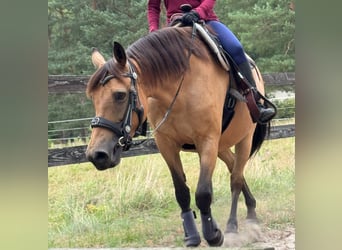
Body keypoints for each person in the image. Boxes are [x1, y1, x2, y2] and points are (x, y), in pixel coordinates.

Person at [147, 0, 275, 124]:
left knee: (236, 48)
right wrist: (153, 30)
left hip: (206, 20)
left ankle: (255, 103)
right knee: (152, 59)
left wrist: (197, 12)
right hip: (174, 25)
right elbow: (153, 6)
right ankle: (140, 114)